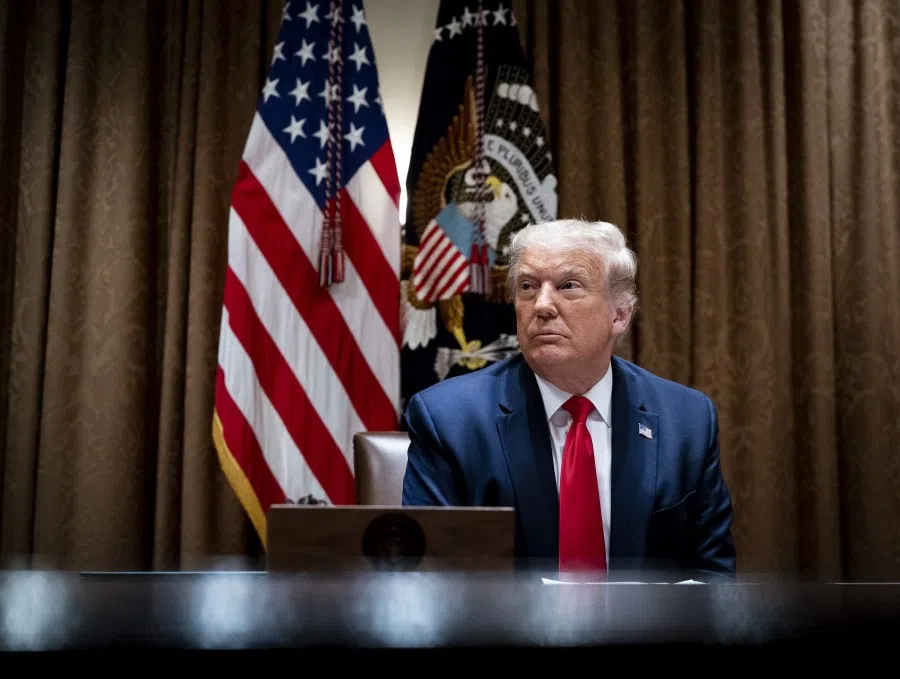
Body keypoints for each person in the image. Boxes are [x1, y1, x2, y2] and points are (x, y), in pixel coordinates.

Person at [401, 218, 736, 581]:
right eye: (528, 287)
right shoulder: (448, 420)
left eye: (568, 286)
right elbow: (428, 580)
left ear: (619, 314)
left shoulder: (686, 420)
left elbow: (712, 577)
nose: (542, 305)